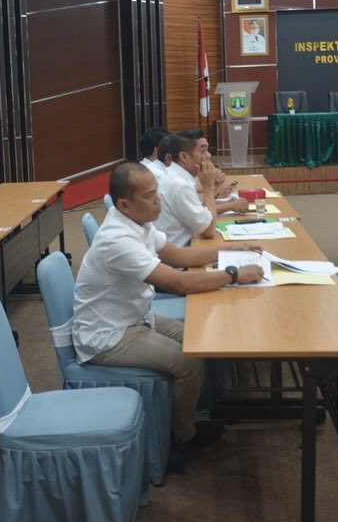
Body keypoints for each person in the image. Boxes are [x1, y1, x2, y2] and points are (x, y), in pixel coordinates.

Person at [72, 162, 264, 470]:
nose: (158, 200)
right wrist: (232, 274)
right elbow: (178, 282)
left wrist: (230, 249)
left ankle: (194, 411)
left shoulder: (139, 223)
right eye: (150, 196)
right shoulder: (118, 241)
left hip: (135, 317)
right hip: (108, 335)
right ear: (125, 204)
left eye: (156, 192)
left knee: (196, 338)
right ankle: (181, 438)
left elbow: (178, 255)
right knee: (189, 362)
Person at [156, 134, 250, 246]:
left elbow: (203, 213)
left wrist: (214, 188)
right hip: (182, 250)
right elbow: (209, 230)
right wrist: (209, 187)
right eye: (203, 151)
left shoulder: (176, 176)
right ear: (184, 157)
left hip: (189, 243)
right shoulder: (180, 185)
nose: (208, 155)